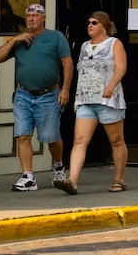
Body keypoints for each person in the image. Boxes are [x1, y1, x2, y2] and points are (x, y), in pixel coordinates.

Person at [0, 3, 72, 192]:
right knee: (23, 135)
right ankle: (28, 177)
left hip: (49, 94)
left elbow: (67, 63)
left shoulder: (55, 37)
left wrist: (65, 90)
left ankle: (58, 166)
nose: (30, 19)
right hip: (23, 95)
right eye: (28, 16)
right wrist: (14, 39)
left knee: (52, 137)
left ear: (43, 18)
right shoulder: (20, 40)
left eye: (35, 15)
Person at [56, 12, 127, 195]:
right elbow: (82, 73)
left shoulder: (114, 43)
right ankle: (72, 180)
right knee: (79, 140)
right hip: (86, 100)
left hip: (108, 100)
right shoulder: (85, 46)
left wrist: (111, 86)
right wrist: (77, 99)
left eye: (94, 23)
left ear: (104, 26)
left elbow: (121, 68)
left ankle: (119, 180)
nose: (90, 25)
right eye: (88, 22)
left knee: (116, 140)